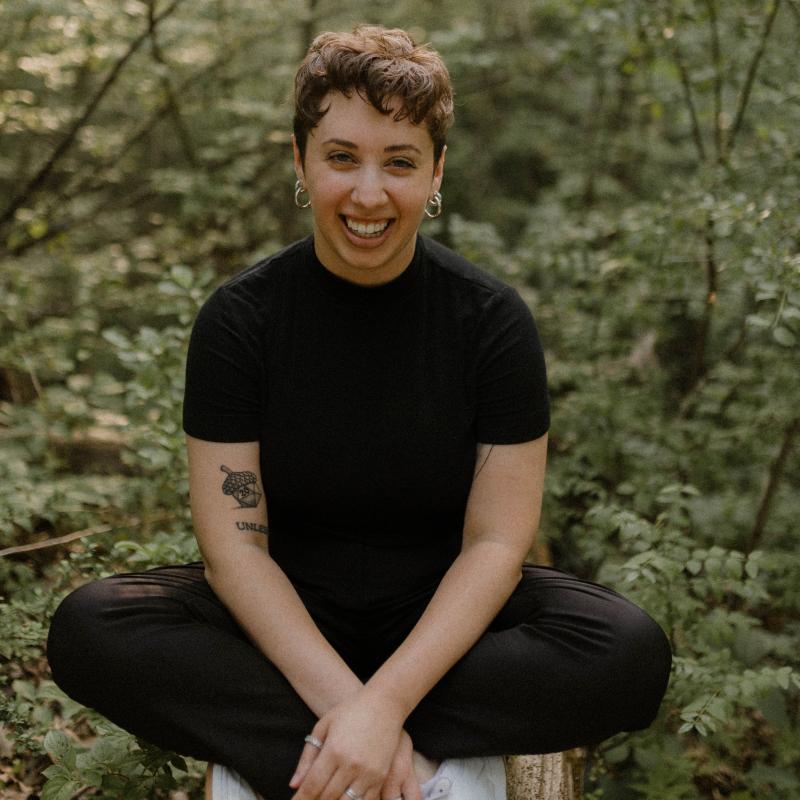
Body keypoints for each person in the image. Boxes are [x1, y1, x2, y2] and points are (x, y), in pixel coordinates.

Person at [47, 25, 671, 800]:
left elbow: (496, 545)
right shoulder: (240, 321)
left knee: (631, 651)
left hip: (448, 631)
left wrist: (387, 703)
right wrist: (358, 710)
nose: (368, 193)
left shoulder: (491, 321)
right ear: (301, 162)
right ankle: (409, 777)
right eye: (342, 157)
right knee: (89, 629)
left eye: (399, 162)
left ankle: (321, 758)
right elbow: (234, 551)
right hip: (284, 623)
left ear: (437, 171)